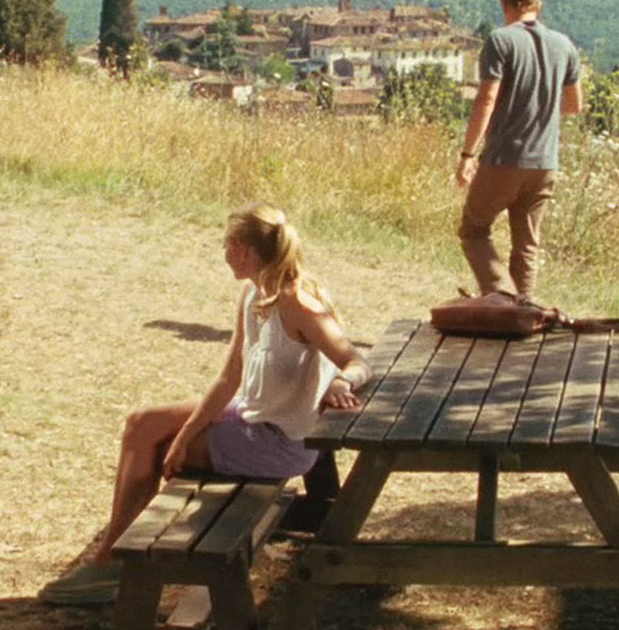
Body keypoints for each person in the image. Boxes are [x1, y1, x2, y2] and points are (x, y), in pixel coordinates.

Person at [38, 203, 371, 606]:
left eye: (227, 246)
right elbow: (229, 377)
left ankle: (114, 563)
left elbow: (355, 360)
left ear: (243, 249)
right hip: (250, 417)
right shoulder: (253, 293)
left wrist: (341, 381)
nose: (225, 254)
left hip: (280, 442)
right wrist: (186, 436)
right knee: (141, 424)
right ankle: (115, 552)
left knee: (155, 449)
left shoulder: (297, 302)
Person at [455, 0, 584, 304]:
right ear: (538, 5)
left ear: (504, 5)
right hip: (545, 161)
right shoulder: (564, 45)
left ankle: (503, 298)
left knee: (474, 229)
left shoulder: (500, 41)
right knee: (527, 243)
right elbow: (574, 105)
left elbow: (486, 99)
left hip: (504, 157)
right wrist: (540, 104)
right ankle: (524, 309)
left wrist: (468, 154)